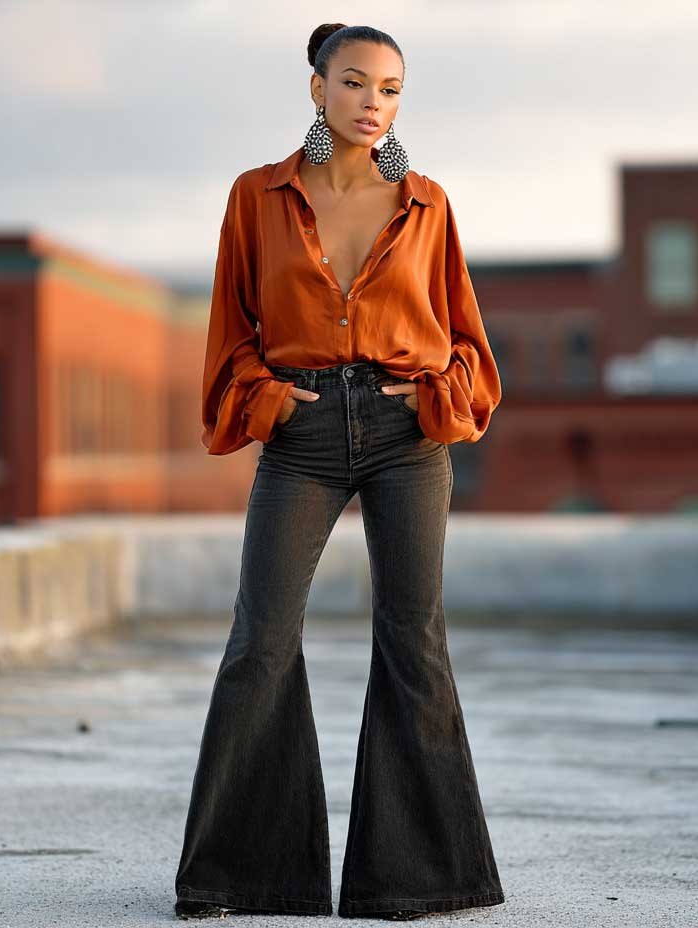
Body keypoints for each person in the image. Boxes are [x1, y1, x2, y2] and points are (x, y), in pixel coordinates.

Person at [173, 22, 505, 922]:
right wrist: (270, 400)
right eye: (355, 83)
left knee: (413, 642)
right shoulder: (258, 197)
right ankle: (237, 877)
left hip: (407, 437)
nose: (372, 103)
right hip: (304, 434)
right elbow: (231, 329)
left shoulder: (427, 204)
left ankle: (418, 880)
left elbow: (467, 339)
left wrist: (434, 396)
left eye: (390, 89)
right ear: (317, 88)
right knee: (261, 642)